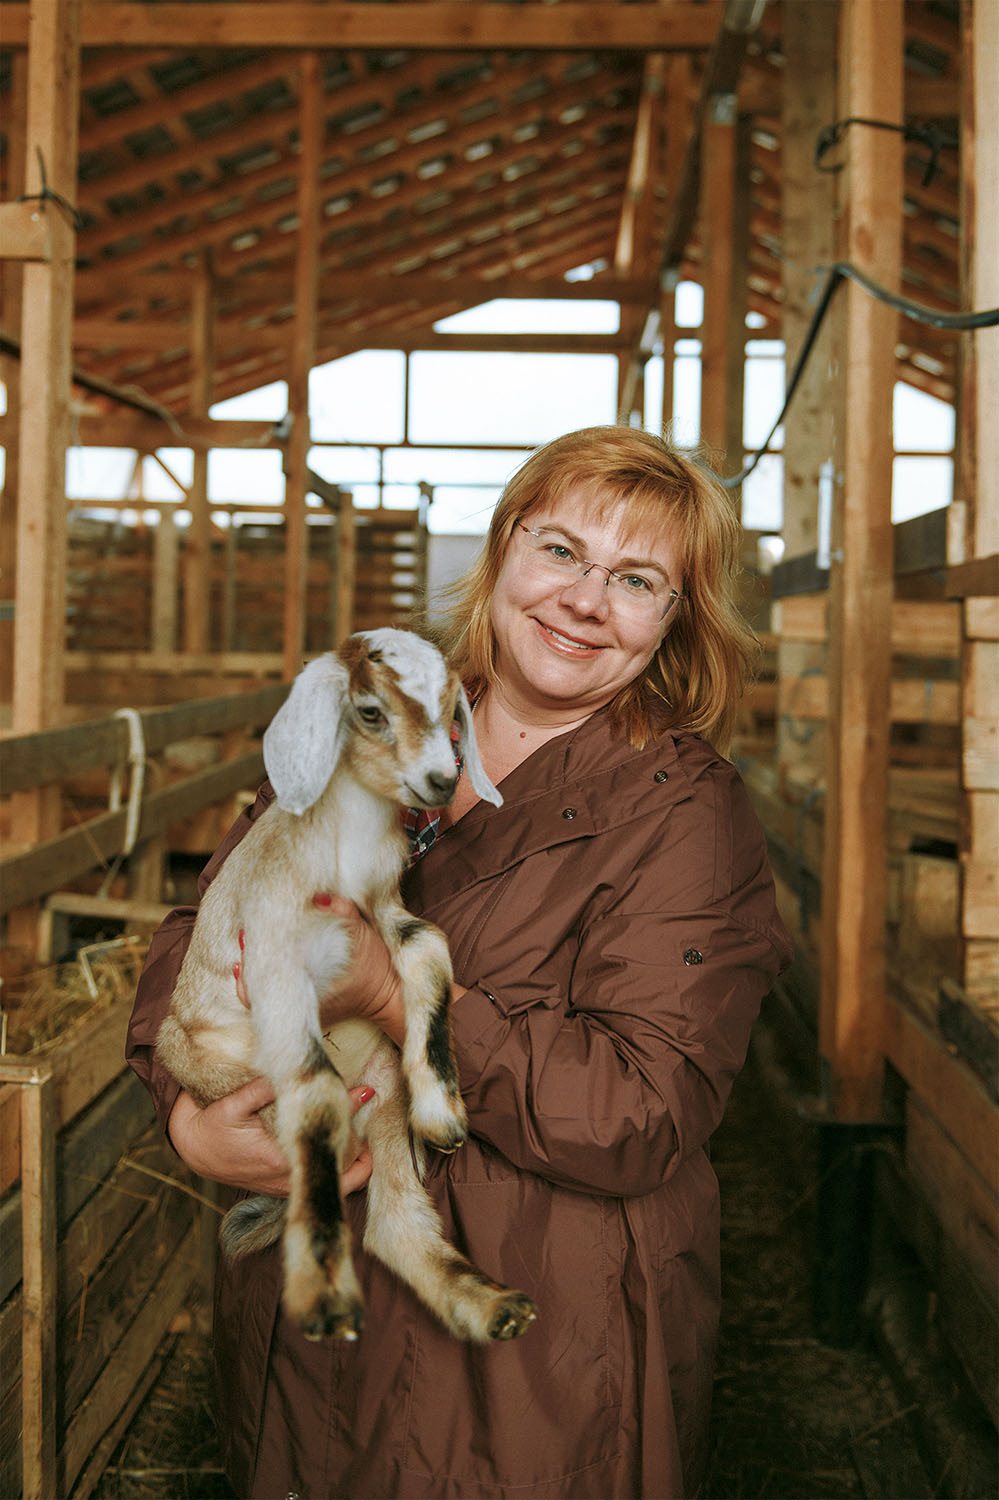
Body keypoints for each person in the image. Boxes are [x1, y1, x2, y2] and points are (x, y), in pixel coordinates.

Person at [127, 424, 792, 1500]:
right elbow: (200, 927)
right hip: (313, 1319)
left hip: (527, 1359)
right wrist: (186, 1115)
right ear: (503, 548)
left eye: (636, 580)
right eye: (560, 550)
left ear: (675, 619)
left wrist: (397, 999)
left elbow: (641, 1107)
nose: (584, 600)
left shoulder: (683, 815)